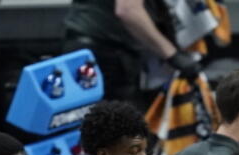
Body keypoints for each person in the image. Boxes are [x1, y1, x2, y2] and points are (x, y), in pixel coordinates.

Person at [64, 0, 201, 107]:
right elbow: (128, 10)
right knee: (117, 130)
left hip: (82, 46)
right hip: (106, 53)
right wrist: (172, 55)